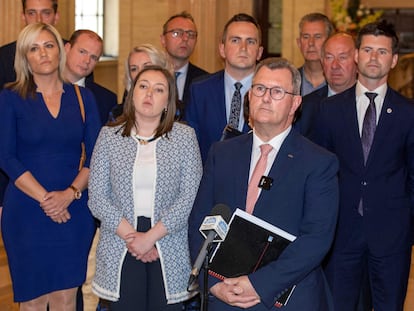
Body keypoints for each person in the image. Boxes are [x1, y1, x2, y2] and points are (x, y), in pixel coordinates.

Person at [189, 57, 339, 311]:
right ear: (249, 96)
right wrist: (213, 284)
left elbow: (316, 239)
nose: (266, 97)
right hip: (224, 296)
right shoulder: (222, 153)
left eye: (277, 91)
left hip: (286, 296)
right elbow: (199, 222)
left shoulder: (318, 162)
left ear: (295, 103)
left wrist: (259, 284)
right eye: (259, 89)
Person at [312, 20, 414, 311]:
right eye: (367, 49)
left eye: (382, 52)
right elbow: (321, 175)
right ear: (356, 55)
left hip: (391, 238)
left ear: (393, 60)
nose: (373, 57)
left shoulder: (408, 114)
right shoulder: (329, 111)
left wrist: (407, 227)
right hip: (340, 235)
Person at [0, 22, 101, 310]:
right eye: (34, 48)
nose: (42, 53)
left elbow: (97, 156)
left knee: (65, 298)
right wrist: (47, 200)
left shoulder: (83, 98)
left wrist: (69, 194)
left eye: (48, 45)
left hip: (73, 209)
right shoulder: (10, 97)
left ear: (61, 50)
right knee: (32, 301)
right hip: (26, 210)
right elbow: (5, 156)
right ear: (24, 57)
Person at [88, 65, 203, 310]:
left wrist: (151, 237)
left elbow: (190, 197)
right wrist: (134, 238)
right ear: (131, 94)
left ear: (168, 101)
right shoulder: (109, 137)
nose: (149, 93)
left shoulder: (185, 137)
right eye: (143, 86)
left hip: (168, 241)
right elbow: (97, 197)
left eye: (158, 89)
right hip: (121, 239)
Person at [0, 0, 60, 237]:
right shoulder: (4, 57)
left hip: (63, 188)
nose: (39, 19)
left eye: (45, 13)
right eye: (32, 13)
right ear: (23, 16)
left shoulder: (61, 55)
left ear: (55, 16)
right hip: (17, 186)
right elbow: (5, 147)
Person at [185, 13, 263, 163]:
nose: (243, 48)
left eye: (251, 42)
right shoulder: (200, 90)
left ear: (259, 52)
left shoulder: (270, 93)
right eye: (235, 40)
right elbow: (191, 147)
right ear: (222, 49)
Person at [295, 32, 358, 137]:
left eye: (342, 57)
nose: (335, 65)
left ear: (357, 61)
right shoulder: (305, 107)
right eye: (329, 58)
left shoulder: (369, 106)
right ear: (322, 62)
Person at [160, 11, 208, 119]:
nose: (185, 39)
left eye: (191, 35)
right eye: (177, 33)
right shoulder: (145, 76)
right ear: (163, 40)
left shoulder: (205, 81)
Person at [64, 29, 117, 126]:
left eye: (93, 57)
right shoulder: (41, 89)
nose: (87, 60)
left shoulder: (107, 100)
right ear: (67, 48)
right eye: (82, 52)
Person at [110, 43, 172, 120]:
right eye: (134, 69)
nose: (140, 73)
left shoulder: (177, 113)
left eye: (147, 66)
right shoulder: (118, 114)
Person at [296, 12, 334, 96]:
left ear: (330, 42)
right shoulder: (290, 79)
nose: (311, 43)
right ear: (299, 43)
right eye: (306, 37)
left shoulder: (341, 81)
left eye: (317, 37)